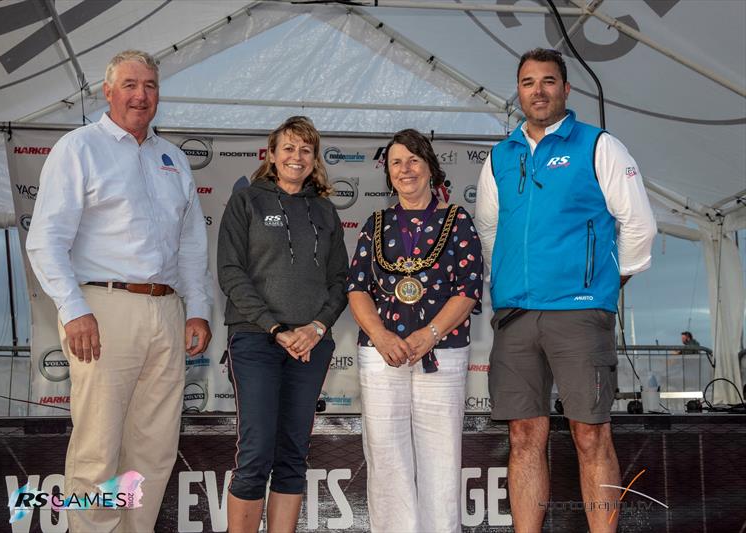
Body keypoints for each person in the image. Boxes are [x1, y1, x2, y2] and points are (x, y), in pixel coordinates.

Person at [26, 50, 214, 532]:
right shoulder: (79, 147)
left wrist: (198, 310)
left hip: (167, 312)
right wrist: (73, 309)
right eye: (129, 84)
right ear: (106, 91)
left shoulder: (172, 157)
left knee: (152, 450)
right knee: (97, 450)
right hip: (103, 310)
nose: (140, 95)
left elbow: (191, 244)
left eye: (150, 85)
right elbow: (45, 239)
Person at [475, 48, 657, 532]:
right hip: (516, 317)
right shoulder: (499, 155)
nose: (538, 90)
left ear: (566, 89)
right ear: (518, 90)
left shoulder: (599, 145)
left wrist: (604, 283)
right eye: (528, 82)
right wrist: (509, 283)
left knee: (590, 436)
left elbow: (638, 225)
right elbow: (490, 232)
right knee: (523, 437)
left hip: (578, 314)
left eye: (548, 81)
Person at [217, 116, 348, 533]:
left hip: (310, 345)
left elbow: (341, 281)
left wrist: (317, 328)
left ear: (314, 160)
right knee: (256, 453)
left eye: (306, 150)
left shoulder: (325, 211)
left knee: (293, 453)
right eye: (288, 148)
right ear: (271, 155)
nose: (297, 156)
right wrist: (277, 329)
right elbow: (230, 271)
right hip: (257, 340)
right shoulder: (246, 201)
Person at [347, 129, 482, 533]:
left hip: (442, 351)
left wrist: (430, 334)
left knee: (440, 457)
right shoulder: (374, 224)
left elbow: (469, 289)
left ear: (430, 167)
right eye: (396, 162)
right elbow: (357, 289)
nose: (406, 169)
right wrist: (383, 336)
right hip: (381, 353)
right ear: (388, 174)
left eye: (413, 160)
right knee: (386, 456)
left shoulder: (457, 219)